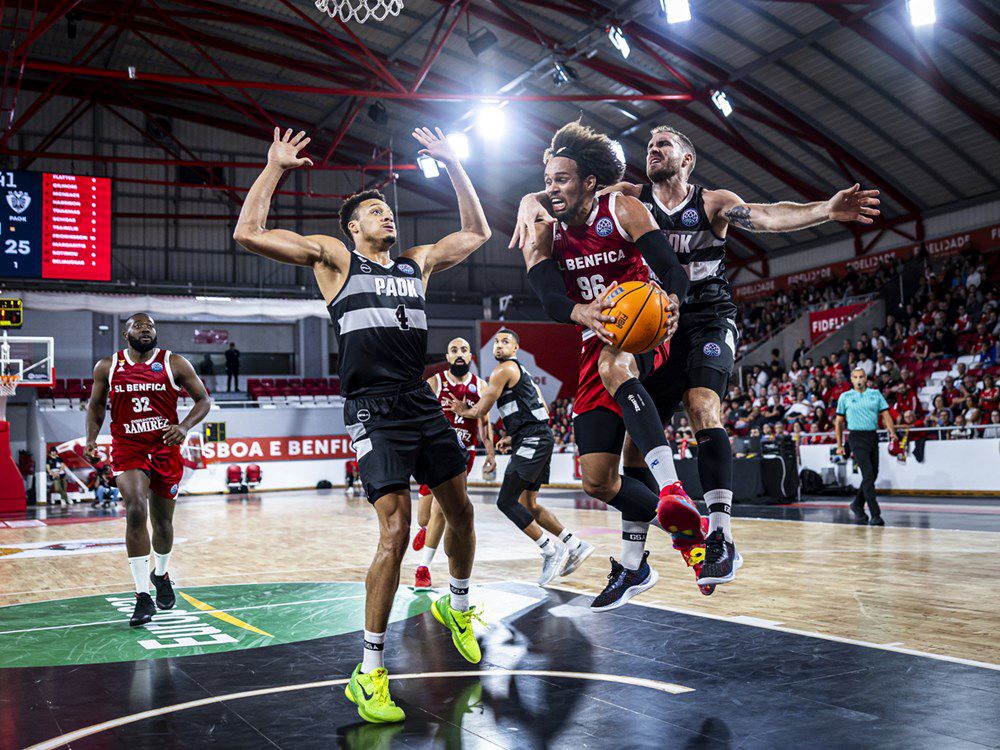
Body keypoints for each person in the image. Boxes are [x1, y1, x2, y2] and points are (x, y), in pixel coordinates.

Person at [514, 123, 880, 588]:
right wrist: (530, 200)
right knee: (631, 446)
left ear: (687, 159)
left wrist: (825, 210)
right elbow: (563, 190)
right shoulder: (627, 196)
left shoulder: (712, 203)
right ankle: (633, 562)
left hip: (704, 315)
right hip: (649, 320)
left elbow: (768, 216)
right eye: (648, 145)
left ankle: (720, 536)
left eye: (663, 144)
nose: (652, 150)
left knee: (703, 404)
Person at [234, 126, 490, 724]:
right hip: (372, 406)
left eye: (389, 209)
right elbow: (248, 233)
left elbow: (477, 232)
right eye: (376, 211)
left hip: (418, 401)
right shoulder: (334, 258)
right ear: (353, 225)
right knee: (396, 531)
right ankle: (370, 669)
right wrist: (273, 168)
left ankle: (457, 603)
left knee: (462, 512)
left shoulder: (417, 263)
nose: (388, 216)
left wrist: (454, 163)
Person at [514, 121, 704, 610]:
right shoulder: (542, 235)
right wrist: (581, 313)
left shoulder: (621, 208)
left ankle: (673, 488)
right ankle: (694, 535)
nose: (550, 189)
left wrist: (674, 302)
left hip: (644, 326)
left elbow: (669, 267)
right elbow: (550, 297)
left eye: (561, 179)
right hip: (592, 340)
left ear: (589, 182)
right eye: (547, 180)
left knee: (615, 362)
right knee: (598, 479)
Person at [85, 313, 212, 626]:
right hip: (128, 449)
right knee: (136, 509)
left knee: (164, 524)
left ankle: (161, 573)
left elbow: (203, 401)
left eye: (151, 326)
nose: (146, 329)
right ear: (126, 334)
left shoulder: (175, 363)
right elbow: (97, 406)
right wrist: (90, 440)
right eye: (138, 326)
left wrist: (184, 427)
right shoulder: (108, 366)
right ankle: (142, 596)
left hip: (166, 447)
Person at [448, 328, 594, 586]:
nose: (499, 345)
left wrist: (463, 410)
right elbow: (543, 410)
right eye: (495, 342)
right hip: (538, 436)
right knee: (530, 504)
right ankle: (576, 544)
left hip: (533, 439)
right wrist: (514, 436)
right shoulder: (522, 373)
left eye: (505, 342)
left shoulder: (503, 370)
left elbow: (482, 409)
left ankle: (551, 549)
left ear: (515, 349)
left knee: (506, 501)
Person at [411, 337, 497, 590]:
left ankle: (423, 569)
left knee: (441, 510)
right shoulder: (435, 382)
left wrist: (490, 454)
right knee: (425, 517)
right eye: (454, 350)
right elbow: (418, 415)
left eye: (464, 350)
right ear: (447, 357)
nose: (459, 354)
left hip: (462, 455)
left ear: (471, 357)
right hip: (433, 452)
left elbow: (485, 423)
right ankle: (426, 530)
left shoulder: (481, 386)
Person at [835, 368, 899, 526]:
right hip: (856, 437)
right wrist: (839, 445)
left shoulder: (875, 394)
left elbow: (886, 415)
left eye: (861, 377)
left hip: (872, 436)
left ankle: (857, 504)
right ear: (851, 379)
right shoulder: (845, 397)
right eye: (855, 377)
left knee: (873, 474)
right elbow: (838, 422)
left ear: (866, 379)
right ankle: (875, 515)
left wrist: (892, 433)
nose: (858, 379)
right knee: (869, 474)